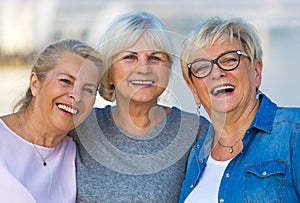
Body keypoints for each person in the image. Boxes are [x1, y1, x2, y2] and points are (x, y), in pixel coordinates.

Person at [74, 11, 209, 202]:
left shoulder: (196, 132)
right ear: (109, 71)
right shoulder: (80, 128)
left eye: (155, 58)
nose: (144, 68)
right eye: (130, 57)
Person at [178, 16, 300, 203]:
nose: (217, 72)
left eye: (229, 60)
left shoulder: (294, 133)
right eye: (202, 67)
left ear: (256, 72)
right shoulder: (195, 156)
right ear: (194, 89)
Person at [0, 39, 103, 202]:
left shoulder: (79, 153)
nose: (76, 96)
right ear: (35, 83)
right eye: (65, 81)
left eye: (88, 89)